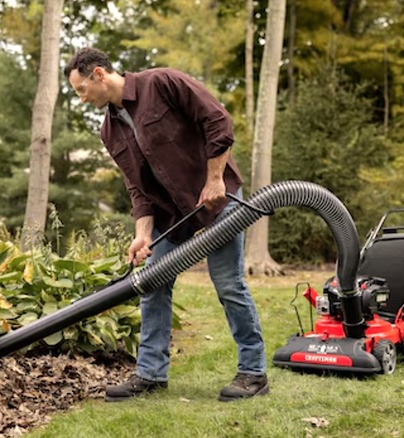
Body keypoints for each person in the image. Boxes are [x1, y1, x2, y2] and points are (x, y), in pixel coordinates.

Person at [64, 48, 267, 402]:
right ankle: (151, 374)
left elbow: (217, 120)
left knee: (228, 284)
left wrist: (215, 179)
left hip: (218, 201)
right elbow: (137, 187)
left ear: (98, 74)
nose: (82, 98)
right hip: (173, 217)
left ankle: (253, 372)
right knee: (152, 285)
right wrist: (142, 235)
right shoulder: (109, 131)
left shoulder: (163, 83)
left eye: (81, 89)